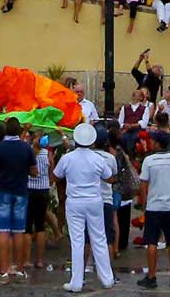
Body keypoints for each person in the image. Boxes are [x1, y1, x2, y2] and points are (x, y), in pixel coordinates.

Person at [56, 122, 118, 292]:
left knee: (77, 241)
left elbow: (56, 175)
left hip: (74, 201)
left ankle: (76, 281)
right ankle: (107, 278)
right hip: (94, 201)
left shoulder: (67, 158)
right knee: (99, 238)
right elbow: (109, 177)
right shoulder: (98, 158)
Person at [0, 122, 38, 282]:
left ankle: (3, 272)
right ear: (20, 131)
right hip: (21, 192)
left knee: (2, 230)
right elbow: (34, 172)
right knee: (19, 231)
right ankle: (20, 269)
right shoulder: (26, 148)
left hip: (2, 192)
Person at [137, 128, 170, 290]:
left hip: (154, 206)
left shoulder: (149, 161)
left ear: (158, 143)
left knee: (151, 241)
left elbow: (143, 186)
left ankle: (152, 276)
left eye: (152, 141)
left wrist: (144, 206)